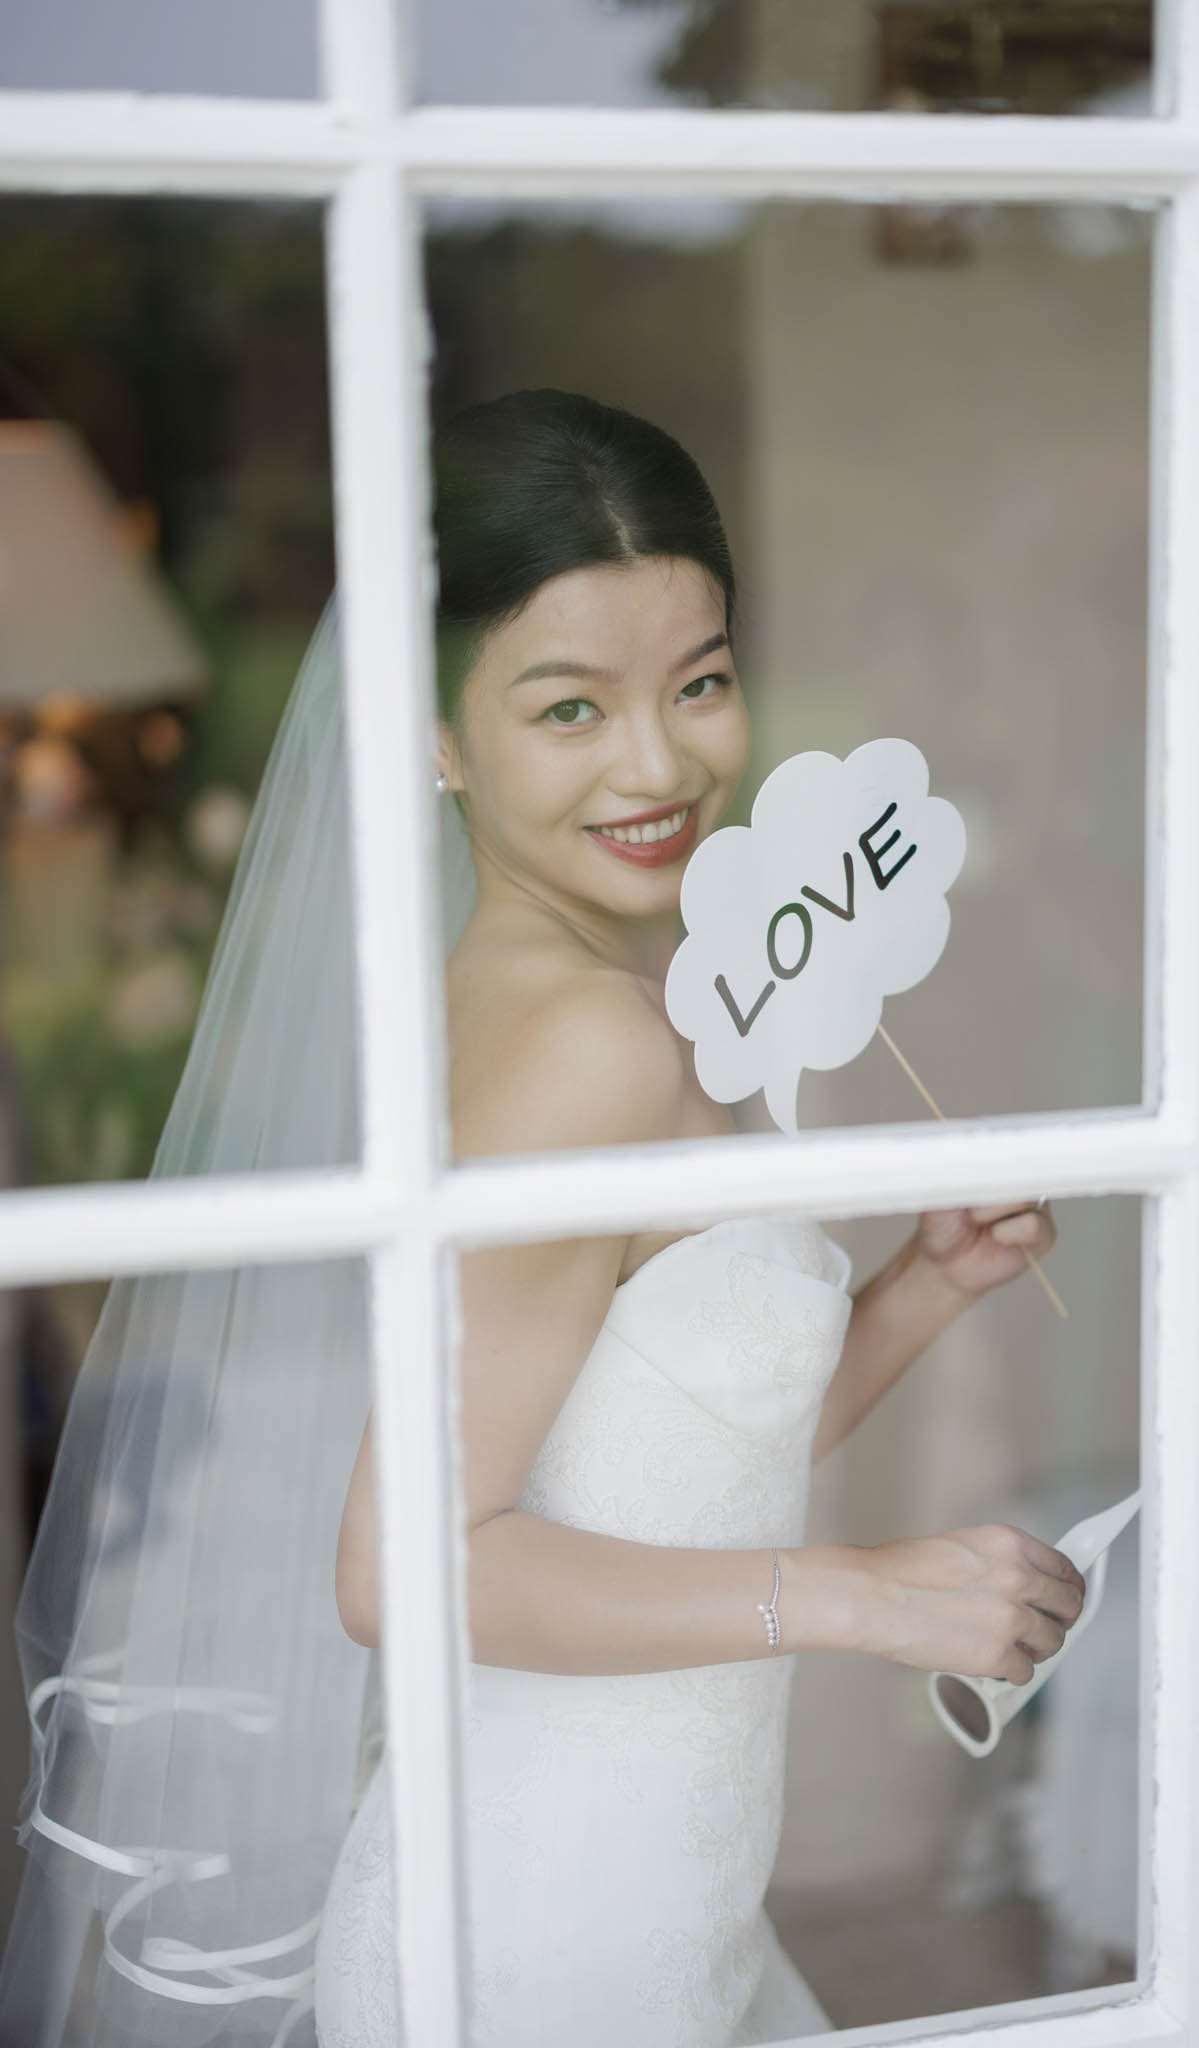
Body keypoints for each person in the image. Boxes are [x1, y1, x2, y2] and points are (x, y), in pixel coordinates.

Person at [0, 388, 1079, 2048]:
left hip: (657, 1906)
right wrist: (868, 1594)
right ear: (435, 734)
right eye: (568, 708)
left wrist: (921, 1290)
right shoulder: (593, 1041)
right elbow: (409, 1570)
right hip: (546, 1943)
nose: (659, 763)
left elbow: (662, 1463)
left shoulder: (581, 1001)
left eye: (698, 683)